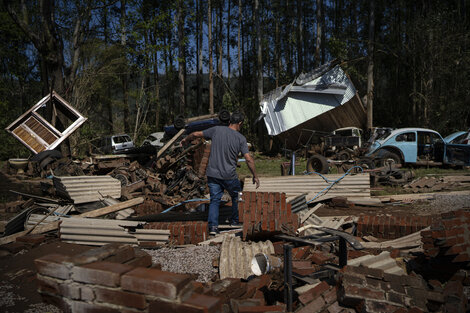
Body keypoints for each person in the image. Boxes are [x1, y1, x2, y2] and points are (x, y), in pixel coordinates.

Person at [181, 112, 260, 234]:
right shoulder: (241, 138)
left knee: (215, 200)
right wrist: (255, 175)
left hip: (213, 174)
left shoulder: (216, 130)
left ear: (230, 122)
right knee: (237, 196)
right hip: (229, 176)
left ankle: (213, 227)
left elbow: (196, 134)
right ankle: (234, 221)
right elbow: (249, 159)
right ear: (240, 123)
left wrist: (186, 139)